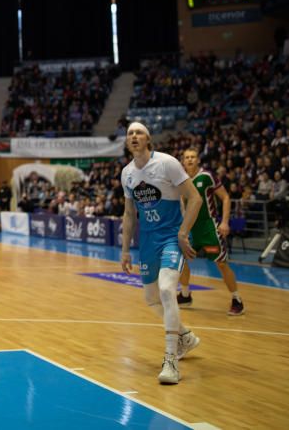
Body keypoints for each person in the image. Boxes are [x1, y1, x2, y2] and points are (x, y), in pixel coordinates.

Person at [120, 122, 203, 385]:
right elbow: (129, 213)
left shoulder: (167, 163)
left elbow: (195, 198)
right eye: (130, 133)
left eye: (139, 132)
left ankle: (171, 361)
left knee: (168, 290)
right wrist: (124, 249)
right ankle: (185, 337)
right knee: (152, 300)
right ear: (127, 141)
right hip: (147, 242)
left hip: (171, 237)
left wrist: (182, 233)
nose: (134, 136)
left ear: (148, 139)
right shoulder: (127, 173)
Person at [177, 149, 245, 316]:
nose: (190, 160)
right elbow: (182, 205)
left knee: (221, 264)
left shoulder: (207, 176)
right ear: (183, 162)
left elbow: (226, 198)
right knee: (179, 259)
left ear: (198, 160)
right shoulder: (181, 181)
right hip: (191, 230)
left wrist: (224, 222)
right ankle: (185, 294)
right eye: (187, 158)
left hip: (209, 228)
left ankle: (237, 300)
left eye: (193, 157)